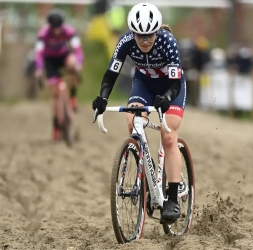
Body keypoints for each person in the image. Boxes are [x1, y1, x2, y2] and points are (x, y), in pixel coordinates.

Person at [92, 2, 186, 223]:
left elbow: (175, 82)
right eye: (139, 36)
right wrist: (103, 97)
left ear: (156, 32)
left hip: (170, 87)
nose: (144, 41)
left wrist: (167, 99)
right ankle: (146, 180)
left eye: (149, 36)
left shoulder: (168, 42)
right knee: (132, 122)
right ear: (132, 32)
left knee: (169, 135)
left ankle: (172, 198)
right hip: (143, 83)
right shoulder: (125, 42)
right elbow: (110, 74)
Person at [34, 8, 84, 140]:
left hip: (63, 56)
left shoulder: (69, 31)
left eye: (59, 27)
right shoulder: (43, 34)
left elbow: (77, 50)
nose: (57, 30)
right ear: (50, 26)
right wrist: (39, 68)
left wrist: (78, 63)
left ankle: (73, 97)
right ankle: (56, 126)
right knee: (55, 95)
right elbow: (38, 54)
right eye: (54, 28)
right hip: (49, 61)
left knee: (73, 64)